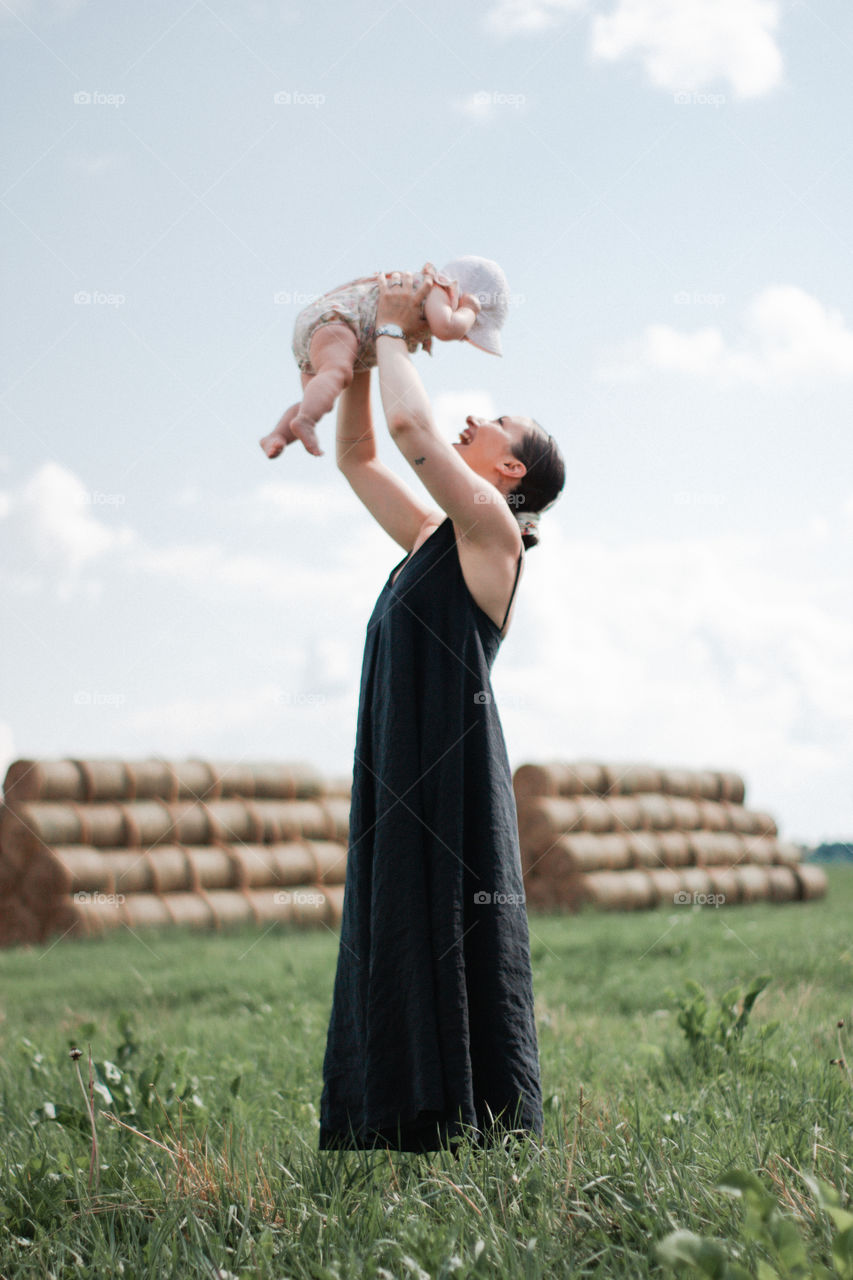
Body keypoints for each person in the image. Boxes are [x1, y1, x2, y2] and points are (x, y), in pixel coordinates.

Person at [318, 269, 566, 1154]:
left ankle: (481, 1138)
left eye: (493, 424)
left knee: (455, 935)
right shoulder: (434, 537)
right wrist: (350, 369)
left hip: (448, 768)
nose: (472, 419)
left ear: (509, 472)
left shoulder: (495, 536)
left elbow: (414, 427)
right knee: (395, 930)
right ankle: (404, 1129)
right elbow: (360, 457)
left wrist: (388, 327)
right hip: (397, 759)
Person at [259, 256, 509, 460]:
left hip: (323, 332)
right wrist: (470, 310)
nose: (464, 337)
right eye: (470, 330)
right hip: (336, 323)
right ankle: (305, 420)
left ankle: (277, 435)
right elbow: (447, 329)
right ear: (462, 294)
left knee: (323, 388)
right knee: (337, 374)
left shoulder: (427, 294)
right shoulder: (439, 290)